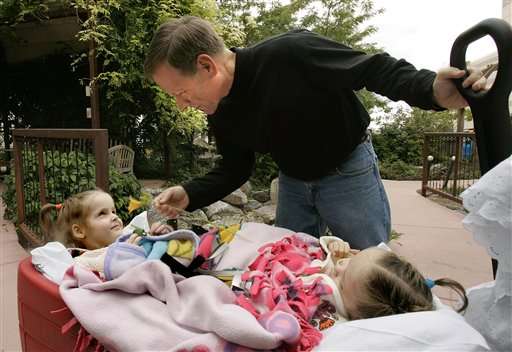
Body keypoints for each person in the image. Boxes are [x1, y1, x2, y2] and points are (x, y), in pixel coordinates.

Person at [145, 16, 487, 249]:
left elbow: (373, 68)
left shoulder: (290, 54)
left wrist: (431, 90)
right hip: (293, 182)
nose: (182, 105)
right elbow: (236, 167)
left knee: (371, 264)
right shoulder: (219, 108)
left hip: (348, 169)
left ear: (207, 65)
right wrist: (189, 193)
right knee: (289, 265)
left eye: (181, 92)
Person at [323, 239, 468, 320]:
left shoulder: (330, 317)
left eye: (341, 283)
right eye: (353, 257)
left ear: (357, 318)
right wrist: (333, 245)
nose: (340, 265)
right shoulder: (354, 284)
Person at [39, 189, 170, 250]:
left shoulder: (123, 240)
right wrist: (129, 254)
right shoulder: (86, 262)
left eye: (113, 211)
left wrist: (155, 238)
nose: (114, 216)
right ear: (79, 231)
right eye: (102, 213)